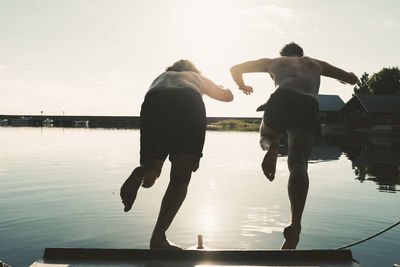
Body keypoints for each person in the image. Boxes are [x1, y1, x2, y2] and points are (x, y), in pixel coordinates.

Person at [230, 42, 358, 249]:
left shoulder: (274, 62)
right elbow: (352, 79)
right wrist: (345, 78)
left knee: (265, 136)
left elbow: (235, 69)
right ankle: (295, 224)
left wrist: (241, 86)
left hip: (281, 98)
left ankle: (272, 145)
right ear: (301, 55)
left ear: (284, 55)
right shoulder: (316, 63)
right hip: (308, 105)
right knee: (299, 163)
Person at [120, 59, 233, 250]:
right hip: (189, 101)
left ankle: (141, 171)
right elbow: (227, 96)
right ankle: (158, 238)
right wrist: (223, 86)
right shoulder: (197, 78)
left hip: (154, 101)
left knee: (150, 175)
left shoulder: (160, 78)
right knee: (180, 179)